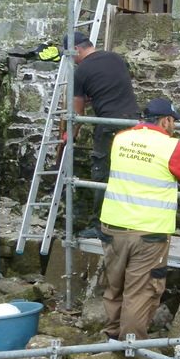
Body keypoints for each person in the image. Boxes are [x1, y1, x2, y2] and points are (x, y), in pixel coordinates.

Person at [98, 97, 180, 340]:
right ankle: (129, 349)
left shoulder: (121, 139)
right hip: (148, 233)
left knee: (115, 285)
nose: (174, 127)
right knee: (140, 292)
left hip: (112, 226)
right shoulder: (171, 147)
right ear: (165, 120)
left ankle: (111, 336)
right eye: (173, 122)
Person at [58, 31, 140, 239]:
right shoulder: (115, 58)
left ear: (76, 49)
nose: (70, 60)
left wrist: (70, 136)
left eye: (69, 55)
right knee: (129, 173)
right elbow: (112, 87)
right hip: (134, 123)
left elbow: (76, 114)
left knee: (102, 174)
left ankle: (100, 227)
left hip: (109, 125)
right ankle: (129, 222)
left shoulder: (81, 71)